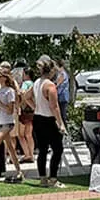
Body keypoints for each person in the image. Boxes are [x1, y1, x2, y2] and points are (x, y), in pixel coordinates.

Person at [31, 57, 65, 188]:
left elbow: (26, 96)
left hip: (38, 117)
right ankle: (53, 178)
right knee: (57, 149)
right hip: (49, 119)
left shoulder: (36, 83)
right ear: (51, 71)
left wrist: (35, 106)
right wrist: (60, 123)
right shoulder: (50, 86)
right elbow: (54, 106)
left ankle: (43, 178)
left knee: (43, 150)